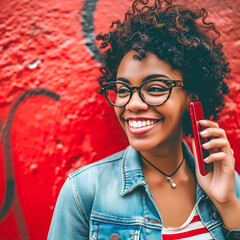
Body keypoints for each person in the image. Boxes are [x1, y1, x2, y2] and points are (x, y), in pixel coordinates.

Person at [48, 0, 240, 239]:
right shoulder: (84, 191)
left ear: (191, 96)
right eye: (123, 89)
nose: (133, 104)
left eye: (156, 88)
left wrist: (228, 204)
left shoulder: (226, 181)